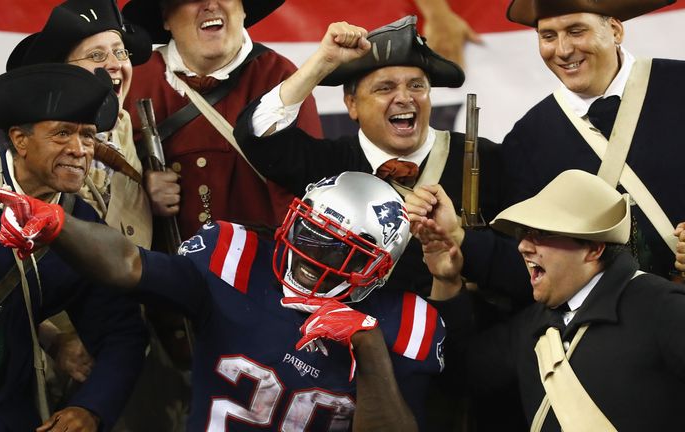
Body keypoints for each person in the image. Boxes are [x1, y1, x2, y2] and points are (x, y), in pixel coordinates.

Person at [0, 171, 447, 431]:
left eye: (335, 247)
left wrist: (367, 348)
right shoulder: (236, 259)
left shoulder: (406, 324)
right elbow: (130, 264)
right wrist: (58, 225)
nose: (309, 252)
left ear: (378, 266)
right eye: (308, 230)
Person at [234, 15, 503, 295]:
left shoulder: (487, 159)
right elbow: (257, 133)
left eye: (416, 86)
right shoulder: (327, 167)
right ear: (351, 104)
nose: (404, 97)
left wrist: (461, 240)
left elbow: (521, 267)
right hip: (362, 335)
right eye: (385, 88)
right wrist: (322, 63)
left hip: (468, 331)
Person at [410, 169, 685, 431]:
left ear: (593, 248)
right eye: (524, 234)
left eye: (541, 235)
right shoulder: (532, 324)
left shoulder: (662, 307)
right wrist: (446, 281)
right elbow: (461, 374)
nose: (523, 246)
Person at [0, 63, 147, 432]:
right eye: (62, 134)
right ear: (20, 140)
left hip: (0, 409)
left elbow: (122, 332)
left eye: (88, 136)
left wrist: (91, 408)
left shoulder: (85, 226)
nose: (79, 150)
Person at [458, 0, 684, 293]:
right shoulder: (526, 139)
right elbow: (527, 259)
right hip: (606, 328)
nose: (563, 50)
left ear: (615, 29)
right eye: (548, 36)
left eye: (576, 31)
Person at [121, 0, 323, 240]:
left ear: (243, 7)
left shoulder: (281, 78)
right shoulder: (133, 80)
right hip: (165, 269)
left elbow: (307, 196)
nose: (210, 5)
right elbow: (103, 188)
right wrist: (138, 195)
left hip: (259, 268)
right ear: (166, 16)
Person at [7, 0, 155, 249]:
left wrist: (148, 194)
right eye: (97, 55)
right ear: (62, 73)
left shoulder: (124, 126)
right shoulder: (39, 141)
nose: (115, 64)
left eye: (120, 52)